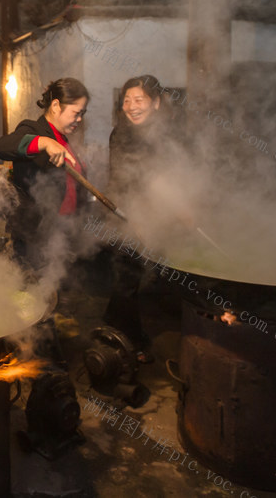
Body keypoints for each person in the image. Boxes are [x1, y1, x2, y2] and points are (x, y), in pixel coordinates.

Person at [101, 75, 177, 364]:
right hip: (126, 214)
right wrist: (134, 217)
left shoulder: (166, 135)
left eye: (139, 100)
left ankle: (115, 322)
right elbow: (121, 180)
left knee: (153, 278)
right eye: (126, 100)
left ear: (156, 103)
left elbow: (170, 175)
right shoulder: (120, 134)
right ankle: (128, 342)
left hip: (158, 215)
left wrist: (180, 204)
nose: (131, 106)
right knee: (126, 277)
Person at [0, 78, 90, 268]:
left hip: (64, 231)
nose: (79, 119)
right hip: (35, 236)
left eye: (83, 114)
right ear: (56, 106)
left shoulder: (64, 139)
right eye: (76, 113)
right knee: (35, 292)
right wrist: (44, 143)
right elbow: (2, 146)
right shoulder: (33, 129)